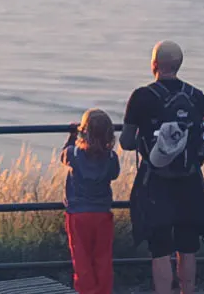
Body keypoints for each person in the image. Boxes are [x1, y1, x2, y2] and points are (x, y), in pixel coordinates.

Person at [119, 40, 204, 294]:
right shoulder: (196, 96)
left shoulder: (141, 96)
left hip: (155, 182)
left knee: (160, 249)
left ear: (154, 65)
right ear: (179, 64)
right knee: (187, 246)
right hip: (190, 181)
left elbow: (126, 142)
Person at [61, 108, 120, 294]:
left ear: (83, 131)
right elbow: (115, 174)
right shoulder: (111, 158)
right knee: (103, 258)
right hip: (102, 213)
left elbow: (63, 156)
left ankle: (87, 291)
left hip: (78, 214)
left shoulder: (74, 154)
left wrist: (72, 137)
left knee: (82, 259)